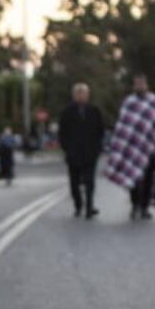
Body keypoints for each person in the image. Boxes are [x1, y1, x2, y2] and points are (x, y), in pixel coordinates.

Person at [105, 74, 155, 220]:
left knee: (148, 179)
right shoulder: (129, 102)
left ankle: (145, 207)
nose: (139, 86)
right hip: (131, 149)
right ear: (134, 86)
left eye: (142, 84)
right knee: (133, 178)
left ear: (146, 85)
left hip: (150, 149)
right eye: (137, 84)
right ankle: (135, 205)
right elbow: (123, 126)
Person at [57, 83, 106, 218]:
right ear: (73, 95)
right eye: (78, 93)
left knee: (90, 181)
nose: (81, 95)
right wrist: (66, 148)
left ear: (87, 95)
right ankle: (78, 204)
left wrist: (98, 148)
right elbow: (62, 132)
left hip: (90, 152)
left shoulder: (94, 111)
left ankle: (89, 207)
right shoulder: (67, 112)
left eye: (83, 93)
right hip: (73, 152)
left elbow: (100, 130)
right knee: (74, 183)